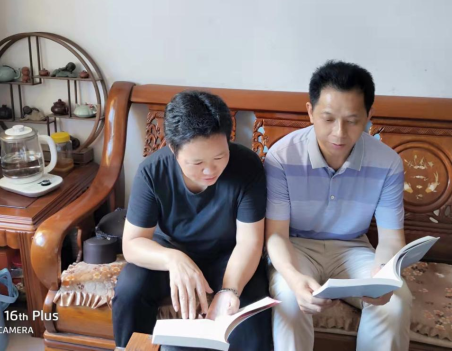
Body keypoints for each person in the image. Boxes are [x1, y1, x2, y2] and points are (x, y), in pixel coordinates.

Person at [265, 60, 411, 351]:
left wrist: (384, 273)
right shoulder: (282, 157)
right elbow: (276, 234)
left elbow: (391, 238)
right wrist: (293, 278)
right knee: (290, 298)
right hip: (297, 246)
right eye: (328, 119)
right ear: (310, 112)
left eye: (352, 120)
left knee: (395, 301)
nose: (339, 133)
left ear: (369, 116)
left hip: (353, 247)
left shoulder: (388, 163)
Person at [112, 90, 271, 350]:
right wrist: (173, 259)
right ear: (172, 149)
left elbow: (250, 242)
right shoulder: (152, 172)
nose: (210, 170)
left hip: (229, 257)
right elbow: (132, 244)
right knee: (130, 290)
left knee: (252, 316)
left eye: (219, 157)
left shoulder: (247, 166)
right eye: (196, 163)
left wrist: (230, 290)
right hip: (169, 252)